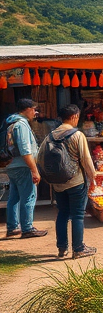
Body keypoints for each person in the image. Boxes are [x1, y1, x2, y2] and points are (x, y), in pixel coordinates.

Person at [37, 104, 96, 259]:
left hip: (58, 184)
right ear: (75, 116)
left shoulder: (49, 136)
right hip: (76, 181)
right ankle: (78, 248)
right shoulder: (77, 135)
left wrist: (49, 178)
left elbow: (40, 158)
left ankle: (62, 248)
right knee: (77, 215)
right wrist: (93, 178)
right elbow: (86, 159)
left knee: (62, 213)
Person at [4, 98, 46, 239]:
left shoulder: (10, 122)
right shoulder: (21, 125)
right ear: (27, 109)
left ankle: (12, 227)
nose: (35, 112)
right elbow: (25, 150)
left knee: (14, 197)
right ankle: (27, 228)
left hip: (11, 165)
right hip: (22, 166)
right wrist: (34, 170)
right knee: (29, 196)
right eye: (34, 109)